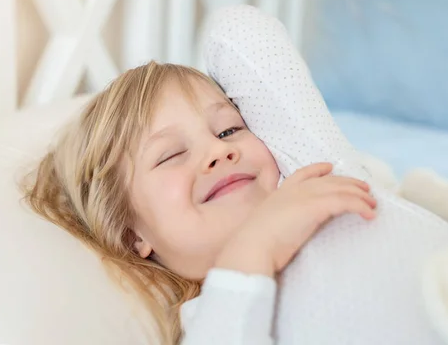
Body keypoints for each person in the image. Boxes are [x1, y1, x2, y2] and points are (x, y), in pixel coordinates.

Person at [22, 60, 377, 344]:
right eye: (171, 154)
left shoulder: (329, 196)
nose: (219, 151)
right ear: (133, 236)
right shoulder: (212, 317)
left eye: (229, 130)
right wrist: (255, 248)